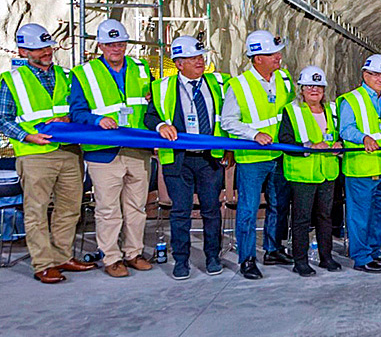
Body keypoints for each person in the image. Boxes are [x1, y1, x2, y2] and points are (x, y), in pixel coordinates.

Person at [0, 23, 95, 283]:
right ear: (23, 51)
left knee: (70, 207)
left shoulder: (66, 75)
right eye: (38, 48)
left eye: (47, 47)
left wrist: (71, 118)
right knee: (37, 210)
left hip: (69, 151)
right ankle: (42, 264)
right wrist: (28, 136)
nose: (45, 52)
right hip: (35, 153)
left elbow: (79, 108)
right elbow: (3, 118)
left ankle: (62, 256)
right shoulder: (12, 80)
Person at [69, 19, 153, 278]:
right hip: (104, 152)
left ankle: (134, 253)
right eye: (110, 44)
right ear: (101, 46)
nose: (116, 48)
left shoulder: (141, 68)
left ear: (126, 44)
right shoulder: (84, 73)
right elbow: (76, 112)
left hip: (137, 150)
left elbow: (151, 103)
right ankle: (112, 257)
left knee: (137, 207)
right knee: (107, 209)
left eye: (120, 43)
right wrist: (97, 120)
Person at [144, 36, 227, 280]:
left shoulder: (218, 83)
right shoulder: (161, 87)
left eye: (200, 57)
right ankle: (182, 261)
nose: (199, 62)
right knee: (181, 212)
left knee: (212, 211)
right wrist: (160, 125)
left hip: (209, 159)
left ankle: (213, 257)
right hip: (178, 161)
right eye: (192, 58)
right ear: (179, 64)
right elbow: (149, 117)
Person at [220, 29, 295, 280]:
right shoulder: (238, 85)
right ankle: (247, 258)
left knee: (279, 205)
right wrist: (254, 134)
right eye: (272, 54)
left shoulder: (284, 79)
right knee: (249, 210)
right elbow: (228, 121)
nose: (279, 57)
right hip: (252, 159)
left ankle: (273, 249)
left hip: (279, 156)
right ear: (257, 58)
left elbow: (293, 112)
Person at [337, 54, 381, 273]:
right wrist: (363, 138)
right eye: (375, 74)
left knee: (380, 213)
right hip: (361, 166)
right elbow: (346, 129)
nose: (380, 79)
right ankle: (361, 257)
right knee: (360, 214)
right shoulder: (351, 99)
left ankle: (374, 251)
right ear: (364, 74)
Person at [279, 65, 343, 277]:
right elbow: (285, 140)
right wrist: (309, 146)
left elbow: (338, 135)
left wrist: (339, 144)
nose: (314, 90)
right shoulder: (292, 110)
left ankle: (326, 257)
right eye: (309, 87)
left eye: (319, 86)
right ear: (301, 89)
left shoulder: (332, 110)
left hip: (328, 171)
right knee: (302, 218)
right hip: (303, 173)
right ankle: (301, 260)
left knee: (325, 216)